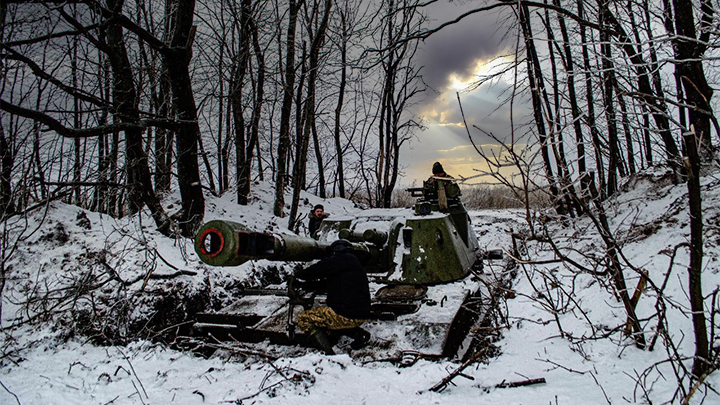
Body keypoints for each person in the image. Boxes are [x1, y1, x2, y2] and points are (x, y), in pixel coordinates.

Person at [294, 239, 371, 354]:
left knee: (304, 318)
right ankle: (357, 333)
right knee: (333, 315)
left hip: (345, 313)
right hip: (359, 314)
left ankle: (328, 353)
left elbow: (319, 269)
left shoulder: (344, 259)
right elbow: (326, 285)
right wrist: (303, 285)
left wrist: (300, 274)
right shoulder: (353, 265)